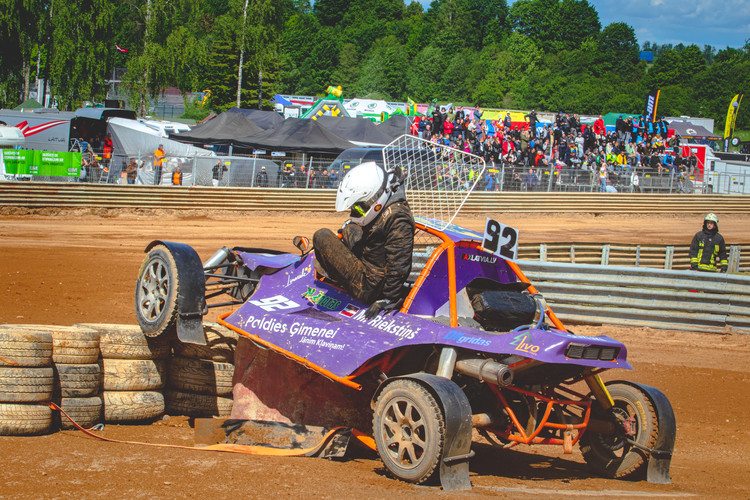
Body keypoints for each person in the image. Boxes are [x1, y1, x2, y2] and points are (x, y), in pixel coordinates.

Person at [312, 162, 414, 318]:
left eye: (359, 207)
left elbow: (399, 264)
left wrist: (388, 299)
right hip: (373, 262)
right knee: (348, 227)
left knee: (322, 236)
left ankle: (332, 274)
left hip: (370, 285)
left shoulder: (398, 218)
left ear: (374, 197)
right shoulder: (389, 202)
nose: (355, 211)